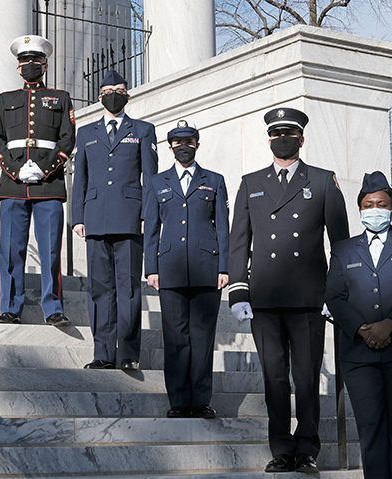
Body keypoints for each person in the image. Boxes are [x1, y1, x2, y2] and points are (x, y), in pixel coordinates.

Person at [227, 107, 349, 473]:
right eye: (277, 133)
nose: (283, 139)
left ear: (301, 139)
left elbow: (340, 244)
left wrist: (335, 293)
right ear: (269, 139)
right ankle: (281, 448)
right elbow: (239, 242)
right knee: (275, 377)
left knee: (308, 376)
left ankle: (307, 448)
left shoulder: (323, 181)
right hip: (265, 297)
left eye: (290, 133)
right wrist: (237, 290)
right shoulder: (251, 183)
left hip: (308, 297)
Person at [326, 171, 392, 479]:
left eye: (382, 203)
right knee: (371, 432)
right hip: (360, 357)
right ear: (360, 209)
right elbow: (334, 296)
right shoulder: (344, 249)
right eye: (369, 204)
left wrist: (390, 324)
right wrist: (362, 329)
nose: (375, 209)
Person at [71, 70, 158, 370]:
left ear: (128, 95)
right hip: (94, 219)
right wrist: (77, 217)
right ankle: (103, 353)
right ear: (99, 96)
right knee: (100, 289)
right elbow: (79, 178)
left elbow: (151, 178)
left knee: (129, 289)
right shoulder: (86, 133)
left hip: (130, 219)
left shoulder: (143, 131)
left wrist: (148, 215)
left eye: (119, 89)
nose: (113, 94)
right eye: (108, 90)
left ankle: (128, 354)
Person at [144, 120, 230, 418]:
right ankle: (179, 401)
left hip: (207, 268)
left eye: (189, 141)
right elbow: (151, 229)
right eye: (178, 142)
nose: (183, 147)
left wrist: (224, 266)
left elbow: (222, 226)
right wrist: (151, 268)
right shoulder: (157, 182)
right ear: (170, 146)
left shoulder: (214, 180)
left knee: (203, 337)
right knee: (176, 336)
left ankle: (201, 400)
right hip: (170, 269)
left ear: (197, 143)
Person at [0, 35, 76, 327]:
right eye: (24, 62)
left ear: (45, 64)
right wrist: (15, 170)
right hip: (13, 185)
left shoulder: (61, 98)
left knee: (51, 250)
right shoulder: (6, 100)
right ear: (18, 68)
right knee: (11, 249)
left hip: (48, 185)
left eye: (35, 61)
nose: (29, 66)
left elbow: (67, 138)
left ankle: (52, 308)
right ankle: (10, 307)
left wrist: (44, 168)